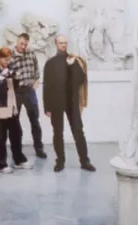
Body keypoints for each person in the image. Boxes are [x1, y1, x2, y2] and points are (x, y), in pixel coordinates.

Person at [41, 33, 95, 172]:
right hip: (56, 102)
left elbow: (81, 79)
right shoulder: (50, 63)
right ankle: (60, 162)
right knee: (58, 133)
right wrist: (47, 107)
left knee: (78, 131)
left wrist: (72, 67)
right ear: (56, 45)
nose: (63, 45)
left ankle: (85, 161)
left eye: (65, 43)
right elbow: (46, 86)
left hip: (72, 102)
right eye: (61, 43)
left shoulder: (74, 61)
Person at [0, 44, 25, 172]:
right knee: (1, 136)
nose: (7, 62)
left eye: (9, 59)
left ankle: (18, 160)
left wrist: (16, 76)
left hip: (11, 104)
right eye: (5, 59)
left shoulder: (10, 68)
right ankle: (0, 164)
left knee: (17, 132)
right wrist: (1, 78)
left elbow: (16, 86)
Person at [9, 32, 47, 161]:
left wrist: (36, 81)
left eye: (25, 44)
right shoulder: (10, 55)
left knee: (35, 120)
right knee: (14, 122)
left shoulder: (31, 53)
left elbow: (36, 69)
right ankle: (16, 150)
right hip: (16, 92)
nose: (23, 47)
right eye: (21, 44)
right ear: (17, 41)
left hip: (30, 91)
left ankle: (39, 148)